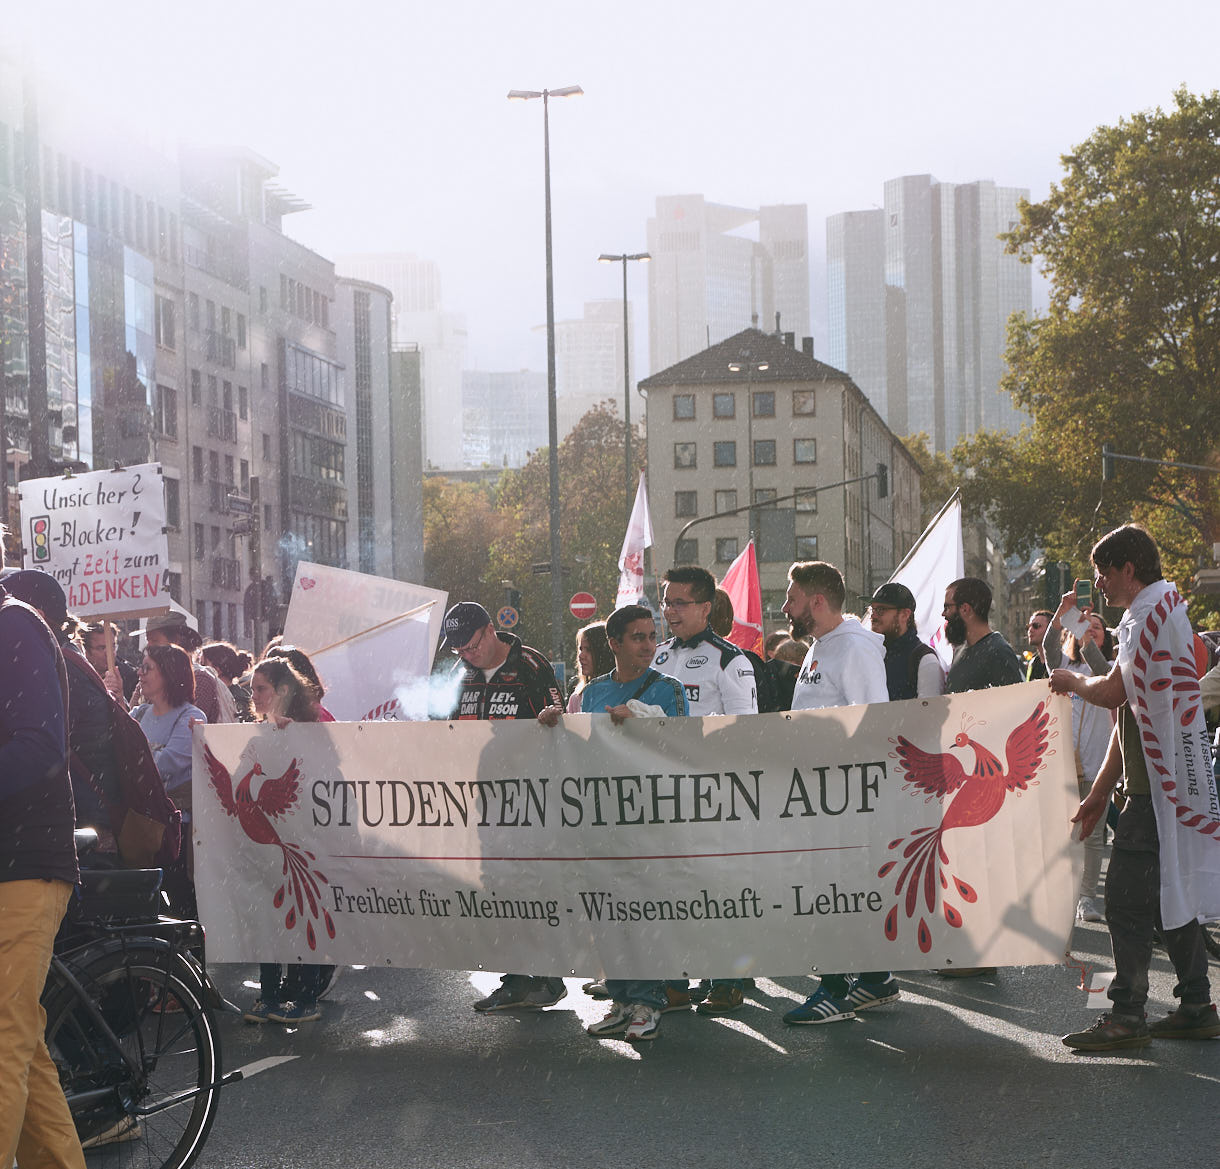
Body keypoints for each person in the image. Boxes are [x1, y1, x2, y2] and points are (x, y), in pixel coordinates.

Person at [1052, 525, 1220, 1051]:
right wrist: (1103, 790)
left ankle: (1124, 1014)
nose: (1098, 583)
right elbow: (1135, 715)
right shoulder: (1163, 612)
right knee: (1172, 894)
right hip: (1160, 786)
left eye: (1103, 572)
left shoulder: (1147, 616)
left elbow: (1113, 692)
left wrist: (1071, 680)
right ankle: (1196, 1004)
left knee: (1125, 902)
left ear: (1130, 570)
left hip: (1154, 793)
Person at [539, 604, 688, 1041]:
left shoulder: (668, 687)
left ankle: (648, 1003)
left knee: (643, 913)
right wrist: (554, 725)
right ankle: (624, 1001)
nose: (648, 644)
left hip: (649, 823)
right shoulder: (592, 693)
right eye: (638, 636)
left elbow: (683, 744)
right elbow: (579, 746)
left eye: (651, 635)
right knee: (608, 913)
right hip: (601, 821)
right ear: (615, 643)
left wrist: (644, 720)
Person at [0, 530, 88, 1168]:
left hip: (24, 868)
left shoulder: (15, 627)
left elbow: (39, 748)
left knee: (3, 1043)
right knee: (20, 1042)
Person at [778, 561, 898, 1026]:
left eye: (792, 598)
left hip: (842, 799)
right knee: (835, 889)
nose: (785, 607)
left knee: (831, 892)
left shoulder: (853, 649)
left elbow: (872, 722)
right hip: (818, 795)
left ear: (817, 601)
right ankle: (876, 980)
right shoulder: (821, 647)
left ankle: (833, 989)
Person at [443, 601, 567, 1012]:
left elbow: (560, 721)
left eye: (471, 644)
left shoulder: (531, 666)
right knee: (495, 891)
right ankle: (515, 978)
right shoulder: (461, 675)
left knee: (531, 887)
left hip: (529, 802)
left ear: (490, 629)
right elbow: (443, 727)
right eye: (458, 648)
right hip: (482, 804)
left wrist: (553, 719)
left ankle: (547, 977)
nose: (467, 653)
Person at [652, 567, 757, 1014]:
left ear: (705, 607)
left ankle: (730, 978)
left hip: (712, 798)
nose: (670, 611)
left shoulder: (730, 659)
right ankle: (675, 980)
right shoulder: (655, 656)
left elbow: (746, 735)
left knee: (718, 891)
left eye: (679, 602)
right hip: (660, 796)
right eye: (666, 602)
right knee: (670, 891)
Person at [243, 656, 336, 1024]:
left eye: (261, 689)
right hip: (270, 841)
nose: (254, 696)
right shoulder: (255, 729)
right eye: (251, 689)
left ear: (283, 690)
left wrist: (292, 736)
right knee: (269, 913)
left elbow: (329, 775)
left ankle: (306, 996)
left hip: (306, 841)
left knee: (304, 911)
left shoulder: (313, 727)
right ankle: (268, 995)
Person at [4, 573, 123, 857]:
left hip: (83, 825)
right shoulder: (67, 656)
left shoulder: (52, 661)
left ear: (33, 615)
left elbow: (42, 746)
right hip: (83, 820)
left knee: (90, 901)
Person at [1044, 597, 1116, 923]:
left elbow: (1100, 670)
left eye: (1097, 628)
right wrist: (1063, 612)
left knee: (1093, 835)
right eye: (1086, 625)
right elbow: (1047, 644)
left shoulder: (1112, 670)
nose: (1092, 629)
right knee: (1060, 832)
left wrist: (1084, 636)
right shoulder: (1064, 667)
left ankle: (1086, 898)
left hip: (1097, 764)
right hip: (1062, 764)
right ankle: (1061, 893)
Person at [131, 643, 207, 918]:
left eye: (147, 668)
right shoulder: (138, 714)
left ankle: (188, 956)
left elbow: (167, 765)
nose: (140, 673)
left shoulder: (191, 717)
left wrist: (142, 757)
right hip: (144, 824)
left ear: (169, 675)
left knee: (180, 900)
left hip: (176, 829)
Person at [142, 612, 236, 724]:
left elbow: (186, 730)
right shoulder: (148, 678)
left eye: (154, 640)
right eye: (148, 640)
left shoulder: (200, 679)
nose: (148, 646)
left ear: (175, 642)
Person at [943, 578, 1024, 694]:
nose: (943, 613)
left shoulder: (999, 652)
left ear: (965, 609)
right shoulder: (960, 650)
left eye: (947, 607)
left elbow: (1014, 704)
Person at [867, 582, 945, 700]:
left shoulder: (924, 659)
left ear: (905, 614)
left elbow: (929, 714)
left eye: (881, 610)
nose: (873, 616)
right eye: (872, 609)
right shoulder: (870, 654)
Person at [81, 621, 138, 701]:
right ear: (85, 650)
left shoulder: (130, 676)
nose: (109, 653)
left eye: (113, 646)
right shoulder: (78, 676)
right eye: (101, 648)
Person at [566, 620, 614, 714]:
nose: (581, 656)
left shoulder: (622, 691)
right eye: (580, 649)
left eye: (588, 650)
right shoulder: (576, 697)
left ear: (604, 653)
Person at [201, 641, 255, 722]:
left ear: (217, 669)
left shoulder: (238, 700)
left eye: (202, 665)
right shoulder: (240, 695)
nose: (199, 671)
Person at [1025, 610, 1054, 681]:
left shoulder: (1061, 660)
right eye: (1028, 627)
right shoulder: (1033, 663)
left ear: (1050, 630)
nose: (1030, 630)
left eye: (1036, 626)